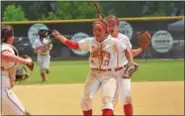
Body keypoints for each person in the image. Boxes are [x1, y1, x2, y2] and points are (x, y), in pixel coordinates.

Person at [52, 19, 135, 116]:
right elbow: (74, 45)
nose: (96, 32)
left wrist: (131, 63)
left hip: (110, 75)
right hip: (94, 74)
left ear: (105, 31)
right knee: (85, 100)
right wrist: (59, 36)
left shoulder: (114, 42)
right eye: (95, 30)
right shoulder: (90, 41)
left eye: (99, 30)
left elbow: (127, 51)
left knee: (107, 102)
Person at [104, 15, 148, 116]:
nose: (111, 27)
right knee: (111, 102)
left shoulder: (124, 38)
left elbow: (130, 53)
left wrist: (142, 48)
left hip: (124, 71)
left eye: (113, 25)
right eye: (108, 25)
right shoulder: (104, 40)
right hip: (109, 73)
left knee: (127, 97)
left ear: (117, 26)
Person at [1, 25, 32, 115]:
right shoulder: (5, 47)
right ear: (10, 37)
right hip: (2, 90)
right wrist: (25, 61)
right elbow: (5, 55)